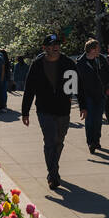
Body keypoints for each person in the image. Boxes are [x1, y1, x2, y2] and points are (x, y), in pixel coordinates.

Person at [21, 34, 79, 190]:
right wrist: (25, 111)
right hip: (44, 109)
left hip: (63, 109)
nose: (56, 47)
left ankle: (53, 169)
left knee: (59, 141)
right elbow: (29, 89)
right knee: (50, 140)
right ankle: (53, 175)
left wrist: (83, 105)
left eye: (57, 44)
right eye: (52, 44)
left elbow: (74, 86)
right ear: (44, 48)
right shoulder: (37, 65)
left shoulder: (68, 63)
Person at [76, 38, 109, 153]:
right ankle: (90, 142)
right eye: (97, 48)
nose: (99, 50)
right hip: (87, 95)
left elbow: (108, 72)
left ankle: (96, 140)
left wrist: (106, 85)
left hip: (100, 95)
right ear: (91, 50)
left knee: (98, 120)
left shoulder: (101, 59)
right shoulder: (80, 63)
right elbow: (76, 81)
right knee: (90, 119)